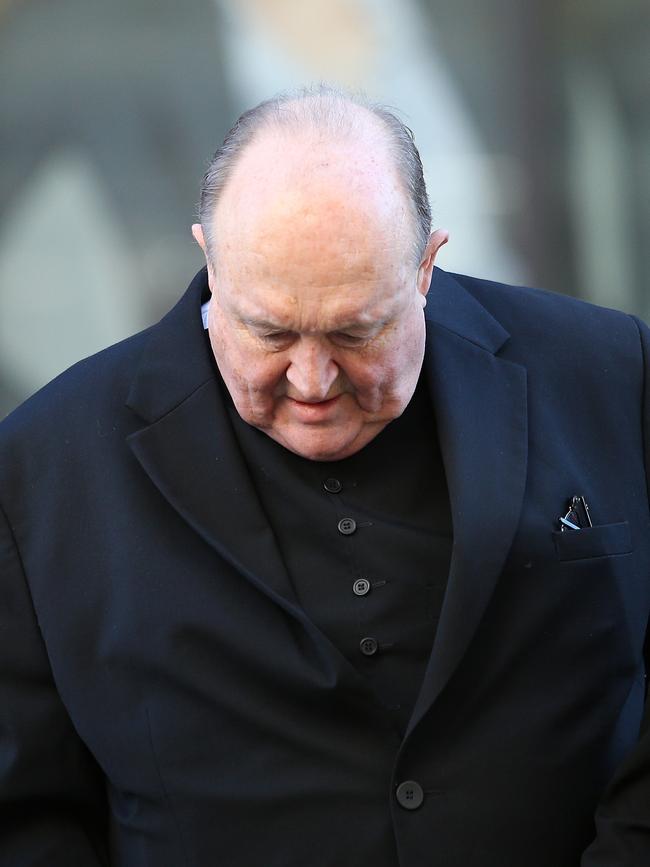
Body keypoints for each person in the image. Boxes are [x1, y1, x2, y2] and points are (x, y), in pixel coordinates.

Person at [0, 85, 648, 867]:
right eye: (269, 331)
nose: (312, 380)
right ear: (210, 259)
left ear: (427, 267)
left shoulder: (612, 375)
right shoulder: (43, 466)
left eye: (356, 330)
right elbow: (27, 814)